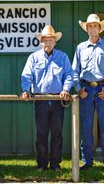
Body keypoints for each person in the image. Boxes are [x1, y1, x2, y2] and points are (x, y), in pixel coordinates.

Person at [72, 14, 104, 173]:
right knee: (86, 127)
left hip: (103, 90)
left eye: (96, 26)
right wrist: (78, 89)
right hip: (86, 90)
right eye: (90, 26)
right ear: (86, 29)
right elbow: (74, 72)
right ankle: (87, 161)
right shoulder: (80, 48)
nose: (93, 29)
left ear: (100, 28)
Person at [21, 25, 73, 172]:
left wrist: (65, 89)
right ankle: (42, 164)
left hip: (58, 100)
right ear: (41, 42)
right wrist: (25, 90)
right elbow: (26, 75)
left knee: (57, 133)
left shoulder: (63, 57)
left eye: (51, 40)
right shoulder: (34, 57)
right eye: (45, 40)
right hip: (41, 100)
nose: (48, 43)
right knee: (41, 134)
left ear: (55, 41)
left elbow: (69, 75)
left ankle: (55, 164)